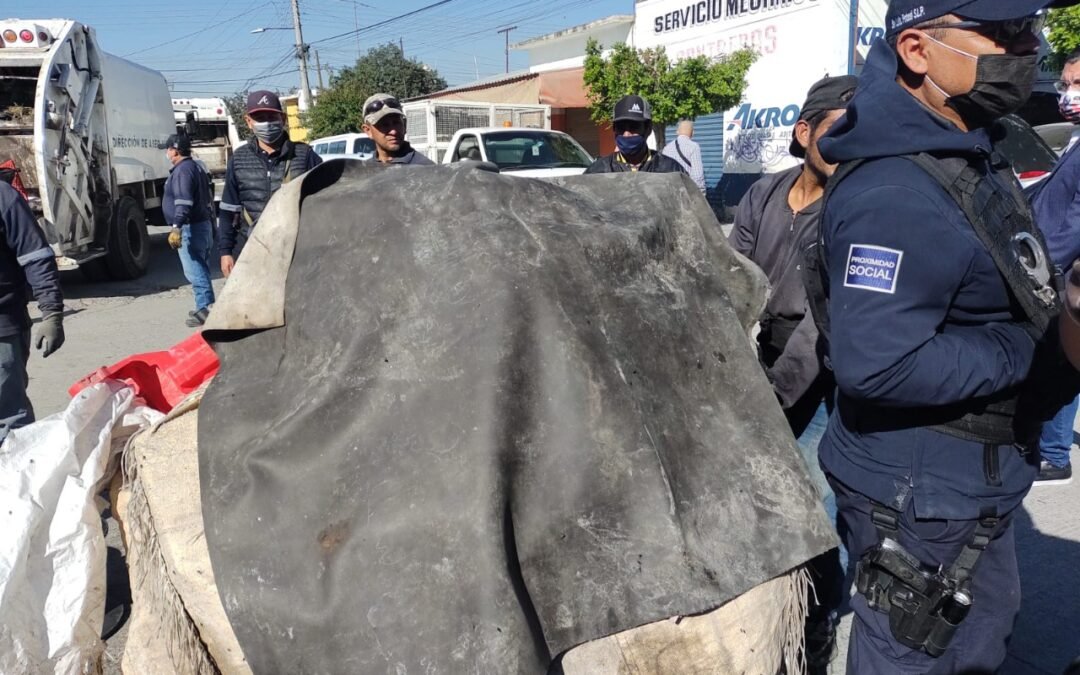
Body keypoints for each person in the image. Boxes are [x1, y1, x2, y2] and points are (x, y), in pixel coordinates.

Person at [810, 1, 1078, 671]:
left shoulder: (966, 140)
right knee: (923, 655)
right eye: (1002, 33)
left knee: (979, 635)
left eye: (1028, 29)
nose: (1027, 47)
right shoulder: (894, 190)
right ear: (918, 50)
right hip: (921, 498)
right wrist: (1027, 347)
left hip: (962, 488)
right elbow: (878, 365)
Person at [729, 74, 857, 675]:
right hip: (770, 360)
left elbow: (816, 331)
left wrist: (769, 402)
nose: (851, 145)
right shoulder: (763, 194)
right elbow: (733, 278)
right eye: (839, 131)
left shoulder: (851, 210)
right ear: (804, 131)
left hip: (826, 373)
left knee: (815, 500)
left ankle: (818, 618)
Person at [1025, 50, 1080, 484]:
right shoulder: (1076, 138)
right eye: (1064, 84)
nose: (1066, 94)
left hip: (1062, 267)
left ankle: (1055, 454)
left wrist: (1046, 261)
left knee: (1063, 357)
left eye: (1075, 83)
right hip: (1056, 261)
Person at [217, 90, 321, 278]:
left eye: (271, 116)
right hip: (251, 251)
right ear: (248, 122)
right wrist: (225, 252)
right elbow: (228, 210)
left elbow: (324, 203)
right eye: (260, 118)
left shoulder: (305, 155)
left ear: (283, 119)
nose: (266, 123)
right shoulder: (239, 160)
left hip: (297, 252)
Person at [0, 180, 64, 445]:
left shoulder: (3, 197)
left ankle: (16, 483)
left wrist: (51, 313)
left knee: (10, 420)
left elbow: (35, 256)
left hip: (3, 329)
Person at [160, 133, 215, 327]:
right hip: (201, 224)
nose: (167, 153)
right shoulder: (194, 167)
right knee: (201, 266)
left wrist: (177, 227)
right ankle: (203, 305)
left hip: (191, 226)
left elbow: (183, 201)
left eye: (168, 149)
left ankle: (205, 308)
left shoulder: (183, 171)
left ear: (174, 150)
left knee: (195, 270)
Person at [584, 95, 686, 175]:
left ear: (648, 129)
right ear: (614, 129)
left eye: (634, 127)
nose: (626, 134)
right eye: (621, 127)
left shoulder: (670, 170)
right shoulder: (598, 171)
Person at [361, 94, 435, 166]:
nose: (393, 131)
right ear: (368, 131)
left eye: (396, 123)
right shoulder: (365, 171)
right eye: (384, 125)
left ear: (405, 125)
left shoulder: (425, 169)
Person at [662, 120, 706, 192]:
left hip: (669, 192)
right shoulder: (693, 147)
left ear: (677, 132)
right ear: (693, 133)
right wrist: (702, 194)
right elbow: (698, 176)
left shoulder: (666, 148)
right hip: (686, 192)